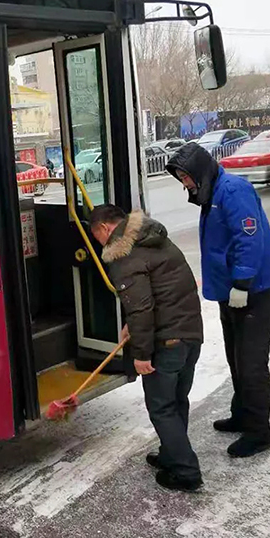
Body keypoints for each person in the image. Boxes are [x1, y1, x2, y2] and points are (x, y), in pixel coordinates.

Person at [166, 143, 270, 458]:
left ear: (200, 171)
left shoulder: (233, 191)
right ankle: (242, 414)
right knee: (236, 358)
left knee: (251, 364)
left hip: (255, 292)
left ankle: (258, 432)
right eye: (181, 179)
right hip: (231, 294)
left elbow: (249, 238)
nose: (185, 184)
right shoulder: (213, 193)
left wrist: (243, 282)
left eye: (186, 177)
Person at [89, 205, 204, 492]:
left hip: (167, 342)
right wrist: (133, 324)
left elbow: (140, 308)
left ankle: (185, 471)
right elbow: (162, 292)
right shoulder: (153, 238)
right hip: (190, 334)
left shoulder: (123, 253)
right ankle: (171, 454)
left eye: (96, 237)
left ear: (104, 228)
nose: (100, 244)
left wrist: (141, 355)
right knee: (176, 400)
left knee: (162, 407)